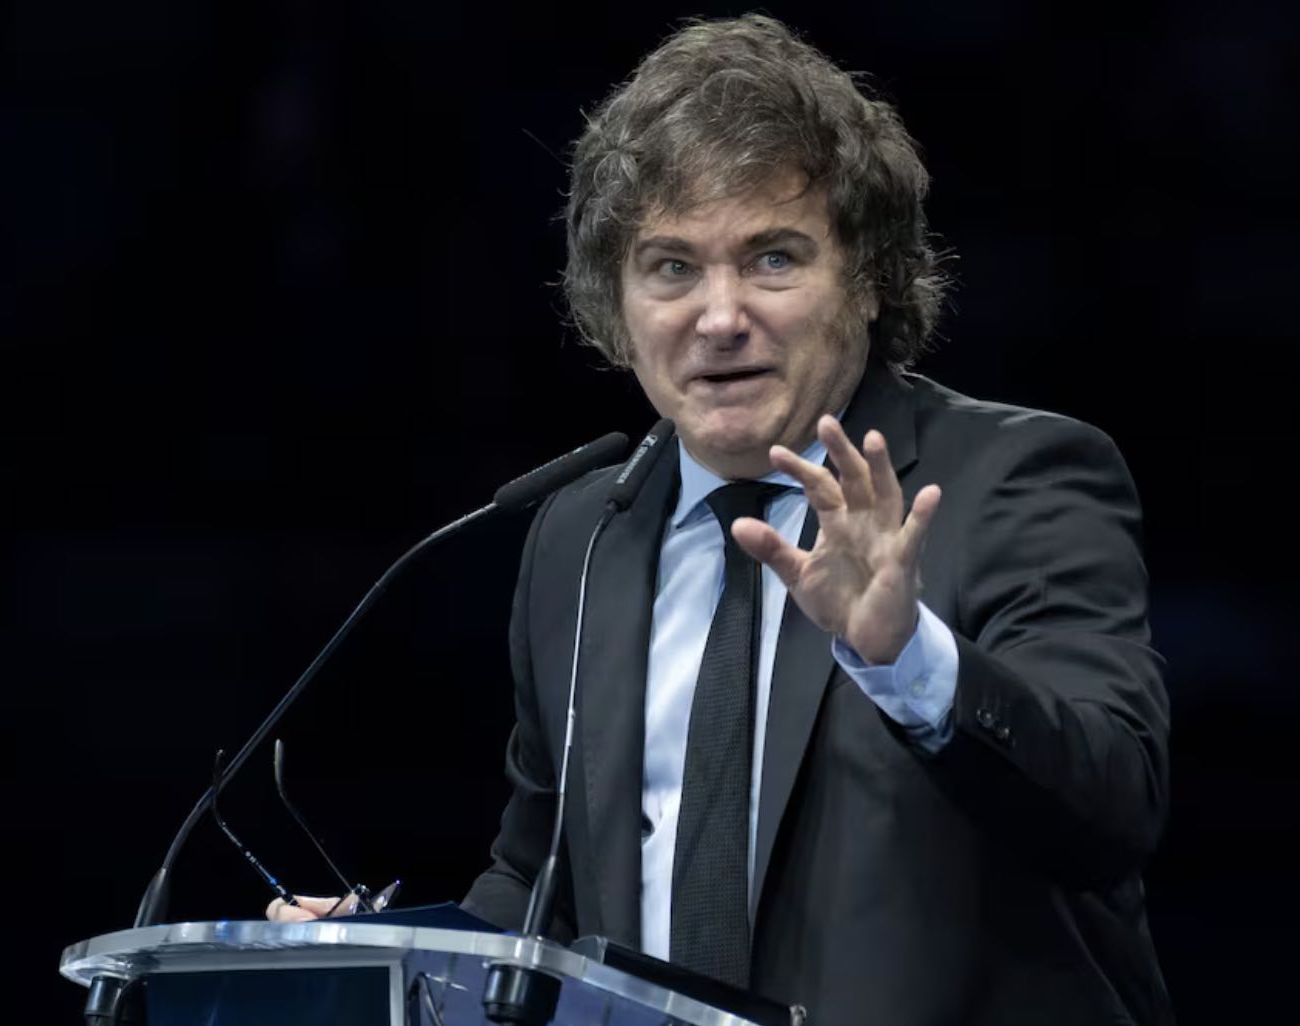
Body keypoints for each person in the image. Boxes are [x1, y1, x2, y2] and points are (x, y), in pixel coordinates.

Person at [272, 15, 1173, 1025]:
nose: (719, 317)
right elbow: (544, 888)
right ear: (615, 307)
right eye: (671, 267)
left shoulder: (1014, 478)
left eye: (772, 258)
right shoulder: (582, 536)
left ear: (870, 279)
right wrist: (400, 954)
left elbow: (1113, 810)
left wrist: (907, 657)